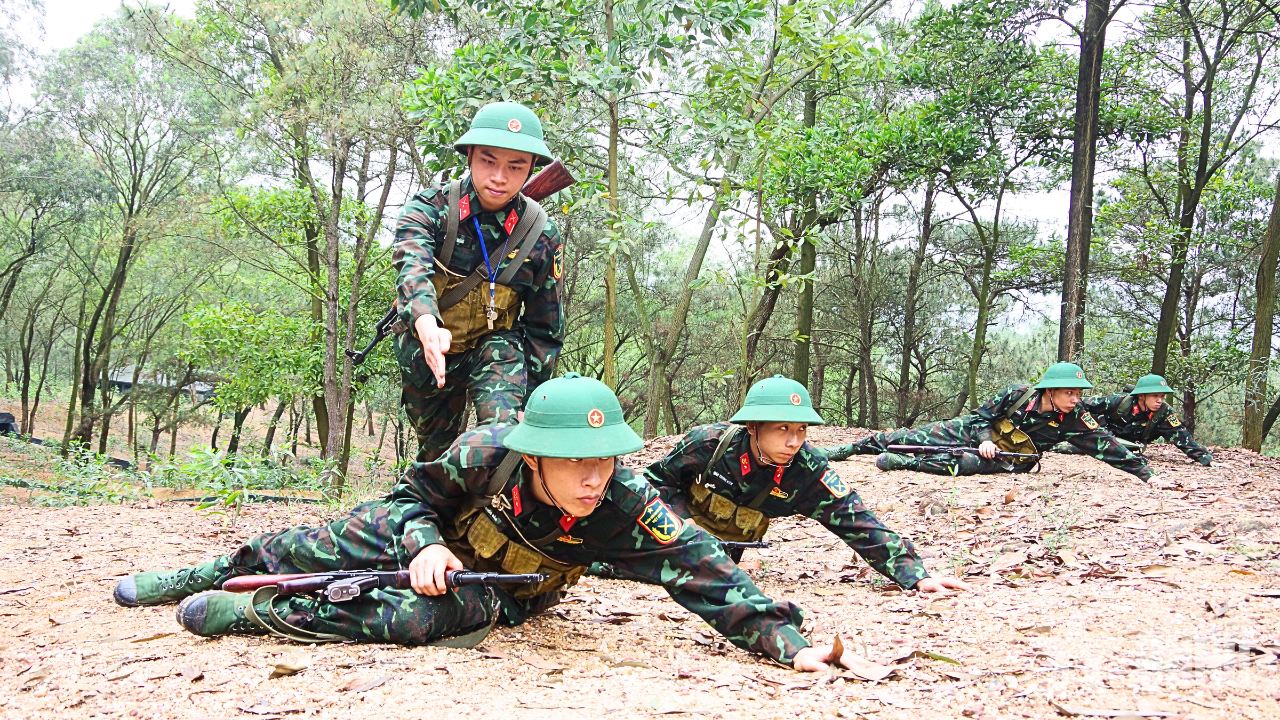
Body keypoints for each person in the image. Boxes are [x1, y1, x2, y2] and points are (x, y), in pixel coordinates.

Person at [112, 374, 853, 671]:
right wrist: (427, 541)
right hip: (429, 530)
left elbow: (705, 569)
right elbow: (410, 496)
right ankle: (210, 572)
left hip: (500, 585)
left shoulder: (625, 505)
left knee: (420, 617)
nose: (594, 476)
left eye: (605, 460)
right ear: (534, 456)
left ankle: (258, 611)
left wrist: (788, 643)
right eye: (574, 461)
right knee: (302, 542)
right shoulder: (486, 453)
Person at [607, 375, 968, 593]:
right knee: (611, 560)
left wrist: (915, 575)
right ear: (753, 427)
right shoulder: (709, 444)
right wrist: (681, 520)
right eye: (782, 429)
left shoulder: (807, 470)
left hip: (725, 544)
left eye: (800, 430)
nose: (793, 441)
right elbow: (654, 483)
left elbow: (856, 520)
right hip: (674, 530)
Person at [393, 101, 565, 461]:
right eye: (489, 161)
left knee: (503, 441)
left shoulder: (541, 236)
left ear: (533, 168)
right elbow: (413, 267)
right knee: (434, 454)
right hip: (430, 349)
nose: (500, 177)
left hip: (496, 349)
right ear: (469, 155)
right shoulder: (430, 209)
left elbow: (544, 329)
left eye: (515, 166)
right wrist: (426, 323)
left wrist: (530, 401)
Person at [826, 363, 1156, 481]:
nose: (1075, 399)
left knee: (965, 463)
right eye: (1069, 392)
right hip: (975, 431)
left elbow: (1105, 445)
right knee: (910, 434)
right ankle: (848, 449)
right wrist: (984, 437)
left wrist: (1145, 473)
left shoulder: (1075, 419)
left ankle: (905, 464)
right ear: (1050, 390)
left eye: (1077, 393)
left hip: (1009, 459)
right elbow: (983, 417)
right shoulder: (1017, 394)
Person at [1064, 374, 1215, 466]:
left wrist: (1206, 459)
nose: (1159, 401)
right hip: (1103, 435)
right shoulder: (1119, 401)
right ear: (1141, 395)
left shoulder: (1164, 413)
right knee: (1073, 446)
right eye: (1154, 396)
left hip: (1128, 446)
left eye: (1162, 396)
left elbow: (1182, 436)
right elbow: (1080, 404)